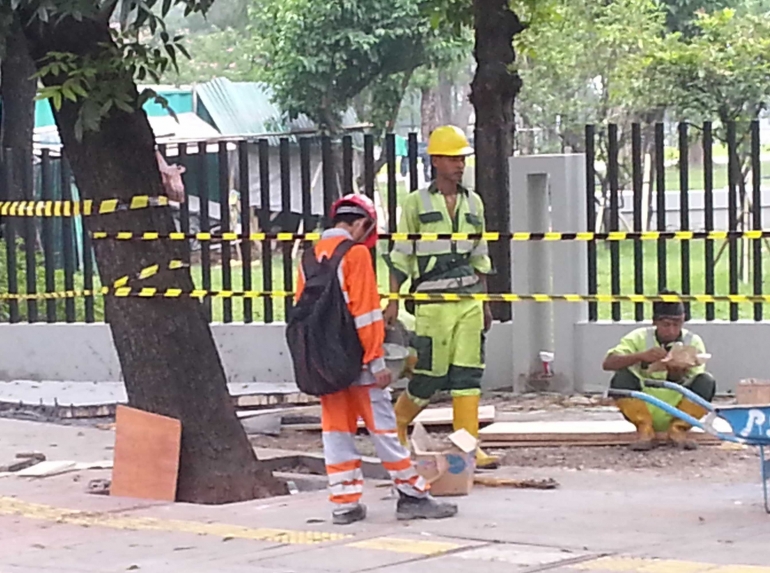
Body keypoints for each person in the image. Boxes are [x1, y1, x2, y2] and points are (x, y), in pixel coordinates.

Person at [294, 193, 458, 525]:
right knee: (383, 429)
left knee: (335, 431)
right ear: (361, 225)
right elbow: (366, 314)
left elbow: (302, 314)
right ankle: (412, 494)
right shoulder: (355, 255)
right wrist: (377, 363)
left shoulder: (308, 257)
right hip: (358, 362)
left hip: (325, 363)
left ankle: (344, 503)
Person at [383, 125, 498, 470]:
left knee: (468, 375)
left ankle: (467, 447)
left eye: (462, 158)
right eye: (452, 158)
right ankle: (398, 423)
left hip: (468, 301)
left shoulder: (473, 202)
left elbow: (481, 255)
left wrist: (485, 302)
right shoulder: (416, 203)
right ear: (435, 161)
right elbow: (401, 253)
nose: (459, 165)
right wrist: (392, 299)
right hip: (433, 302)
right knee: (430, 375)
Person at [603, 292, 716, 451]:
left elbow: (694, 379)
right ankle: (645, 430)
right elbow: (608, 363)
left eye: (677, 324)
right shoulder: (639, 337)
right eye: (666, 324)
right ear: (655, 322)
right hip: (643, 403)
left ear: (683, 320)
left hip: (679, 406)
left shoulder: (693, 341)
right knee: (621, 378)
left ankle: (678, 429)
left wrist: (675, 372)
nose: (671, 330)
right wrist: (641, 356)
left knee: (706, 381)